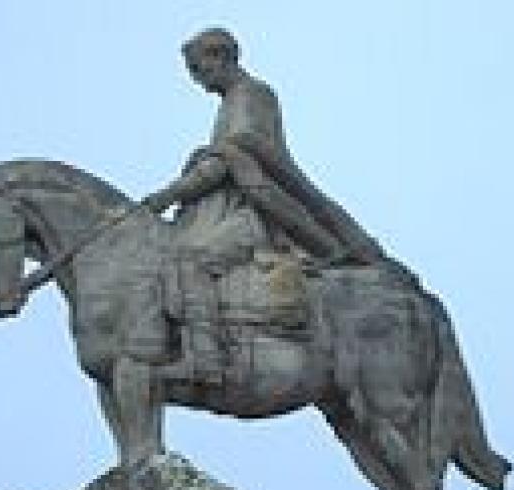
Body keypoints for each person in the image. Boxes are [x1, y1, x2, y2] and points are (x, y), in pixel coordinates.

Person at [140, 27, 390, 385]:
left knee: (191, 261)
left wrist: (170, 194)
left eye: (200, 69)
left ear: (221, 58)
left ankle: (207, 360)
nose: (198, 80)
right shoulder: (231, 101)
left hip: (252, 213)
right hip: (225, 208)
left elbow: (235, 157)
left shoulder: (251, 96)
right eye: (193, 72)